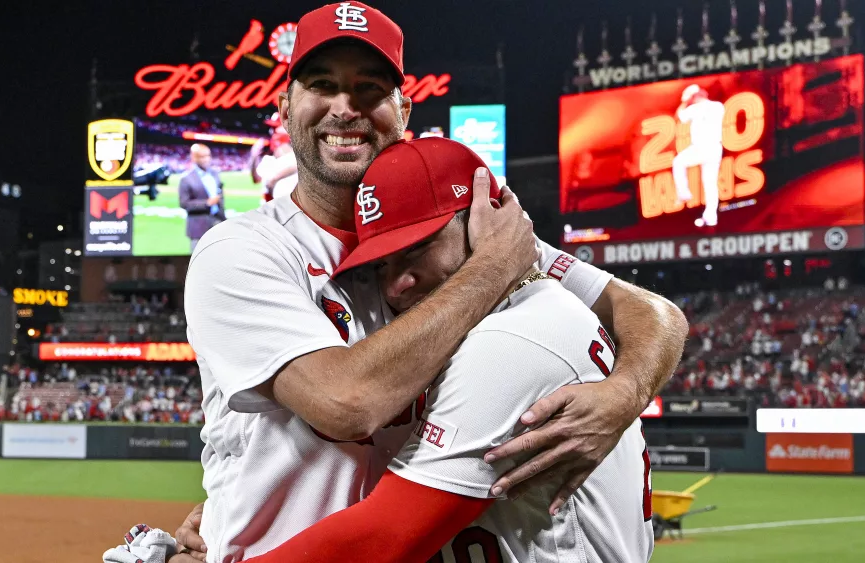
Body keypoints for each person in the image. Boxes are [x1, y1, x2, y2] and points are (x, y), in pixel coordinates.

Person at [169, 3, 686, 562]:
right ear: (285, 106)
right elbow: (347, 405)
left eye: (370, 88)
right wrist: (490, 270)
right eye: (322, 85)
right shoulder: (243, 251)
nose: (345, 108)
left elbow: (654, 313)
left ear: (403, 110)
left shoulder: (457, 231)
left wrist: (623, 396)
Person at [243, 138, 654, 563]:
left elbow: (381, 540)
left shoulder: (513, 340)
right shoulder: (537, 308)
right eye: (383, 263)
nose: (395, 284)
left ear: (488, 223)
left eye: (417, 248)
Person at [673, 84, 726, 228]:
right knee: (710, 184)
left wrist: (685, 100)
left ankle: (683, 193)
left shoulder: (694, 108)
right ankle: (711, 217)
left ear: (697, 97)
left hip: (701, 147)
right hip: (715, 148)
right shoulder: (718, 106)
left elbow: (680, 116)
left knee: (678, 162)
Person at [178, 144, 226, 252]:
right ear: (194, 157)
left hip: (217, 222)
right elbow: (183, 203)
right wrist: (206, 203)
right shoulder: (186, 178)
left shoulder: (215, 174)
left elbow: (220, 196)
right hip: (198, 227)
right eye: (202, 156)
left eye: (208, 156)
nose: (206, 159)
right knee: (198, 263)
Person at [250, 122, 298, 202]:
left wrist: (274, 179)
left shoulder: (295, 157)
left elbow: (299, 166)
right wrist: (254, 156)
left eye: (275, 128)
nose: (272, 132)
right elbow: (256, 179)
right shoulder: (268, 159)